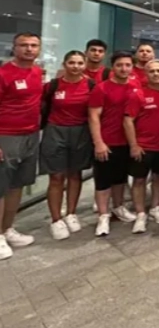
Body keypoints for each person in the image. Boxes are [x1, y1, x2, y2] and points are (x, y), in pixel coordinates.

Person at [40, 51, 95, 240]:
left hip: (81, 132)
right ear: (64, 64)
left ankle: (71, 213)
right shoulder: (53, 85)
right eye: (71, 62)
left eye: (80, 63)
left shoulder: (91, 85)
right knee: (56, 177)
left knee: (75, 174)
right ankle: (56, 219)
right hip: (55, 131)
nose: (76, 66)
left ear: (85, 65)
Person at [0, 33, 45, 259]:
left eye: (34, 45)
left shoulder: (37, 72)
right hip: (6, 136)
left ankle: (7, 228)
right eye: (24, 45)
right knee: (1, 188)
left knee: (17, 185)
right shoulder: (3, 74)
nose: (29, 49)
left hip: (30, 135)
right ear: (14, 47)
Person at [88, 51, 139, 236]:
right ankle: (103, 215)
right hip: (106, 141)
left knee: (120, 178)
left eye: (127, 65)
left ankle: (118, 207)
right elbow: (93, 116)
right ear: (113, 67)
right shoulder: (102, 88)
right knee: (103, 181)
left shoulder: (135, 87)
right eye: (119, 65)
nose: (123, 69)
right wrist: (98, 142)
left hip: (126, 142)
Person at [123, 59, 159, 234]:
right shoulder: (138, 94)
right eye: (152, 71)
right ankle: (141, 213)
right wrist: (134, 145)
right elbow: (128, 120)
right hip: (143, 146)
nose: (156, 74)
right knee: (139, 180)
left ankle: (155, 207)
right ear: (146, 74)